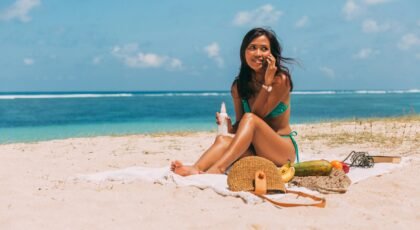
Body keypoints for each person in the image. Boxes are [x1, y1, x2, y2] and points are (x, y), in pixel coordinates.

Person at [171, 27, 298, 176]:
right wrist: (231, 127)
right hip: (256, 151)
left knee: (250, 118)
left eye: (264, 49)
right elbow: (243, 127)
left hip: (281, 152)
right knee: (223, 140)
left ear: (272, 54)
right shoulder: (239, 86)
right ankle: (196, 167)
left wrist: (267, 83)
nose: (258, 53)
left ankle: (219, 168)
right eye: (252, 48)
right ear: (244, 52)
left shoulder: (279, 80)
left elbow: (258, 116)